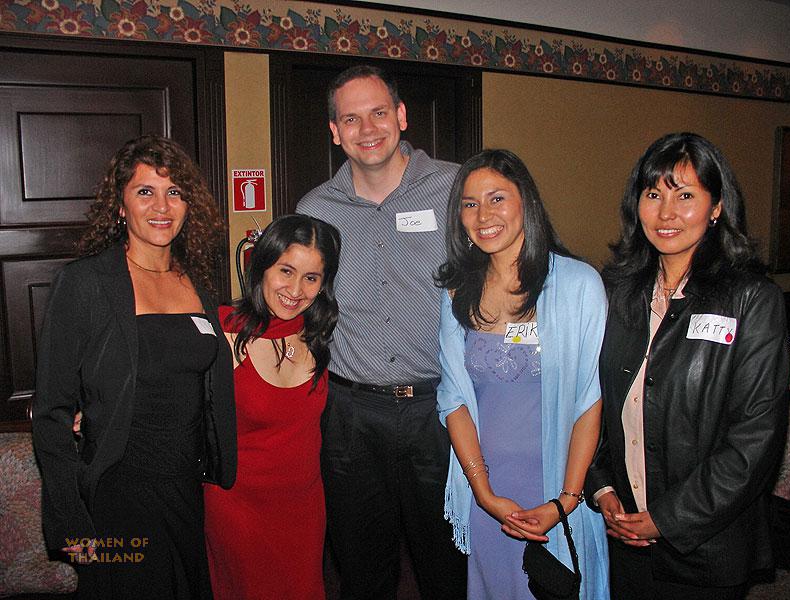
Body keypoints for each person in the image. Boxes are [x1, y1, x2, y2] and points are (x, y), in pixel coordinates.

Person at [586, 132, 790, 599]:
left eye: (685, 196)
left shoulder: (752, 300)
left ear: (716, 207)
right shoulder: (617, 293)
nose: (666, 213)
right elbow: (592, 401)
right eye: (653, 194)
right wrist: (601, 487)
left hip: (706, 545)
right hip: (622, 530)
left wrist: (667, 519)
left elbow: (755, 439)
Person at [32, 135, 236, 599]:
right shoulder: (85, 283)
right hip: (118, 494)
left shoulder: (198, 282)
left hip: (185, 489)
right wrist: (73, 525)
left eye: (174, 192)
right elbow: (51, 413)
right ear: (120, 206)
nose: (161, 206)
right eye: (145, 191)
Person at [296, 65, 467, 599]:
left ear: (401, 115)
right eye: (351, 119)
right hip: (351, 416)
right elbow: (295, 299)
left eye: (378, 113)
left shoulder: (456, 189)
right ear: (334, 131)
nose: (367, 129)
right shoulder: (315, 210)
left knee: (448, 565)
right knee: (361, 568)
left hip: (439, 411)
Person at [436, 149, 611, 599]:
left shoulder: (578, 285)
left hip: (560, 484)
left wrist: (565, 501)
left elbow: (588, 401)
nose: (483, 215)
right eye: (470, 204)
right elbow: (454, 399)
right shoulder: (457, 291)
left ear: (526, 202)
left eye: (497, 198)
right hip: (488, 486)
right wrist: (483, 492)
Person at [204, 214, 340, 600]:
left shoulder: (318, 333)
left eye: (311, 278)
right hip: (238, 510)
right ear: (261, 266)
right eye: (286, 271)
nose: (295, 290)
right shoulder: (221, 330)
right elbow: (161, 384)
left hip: (304, 509)